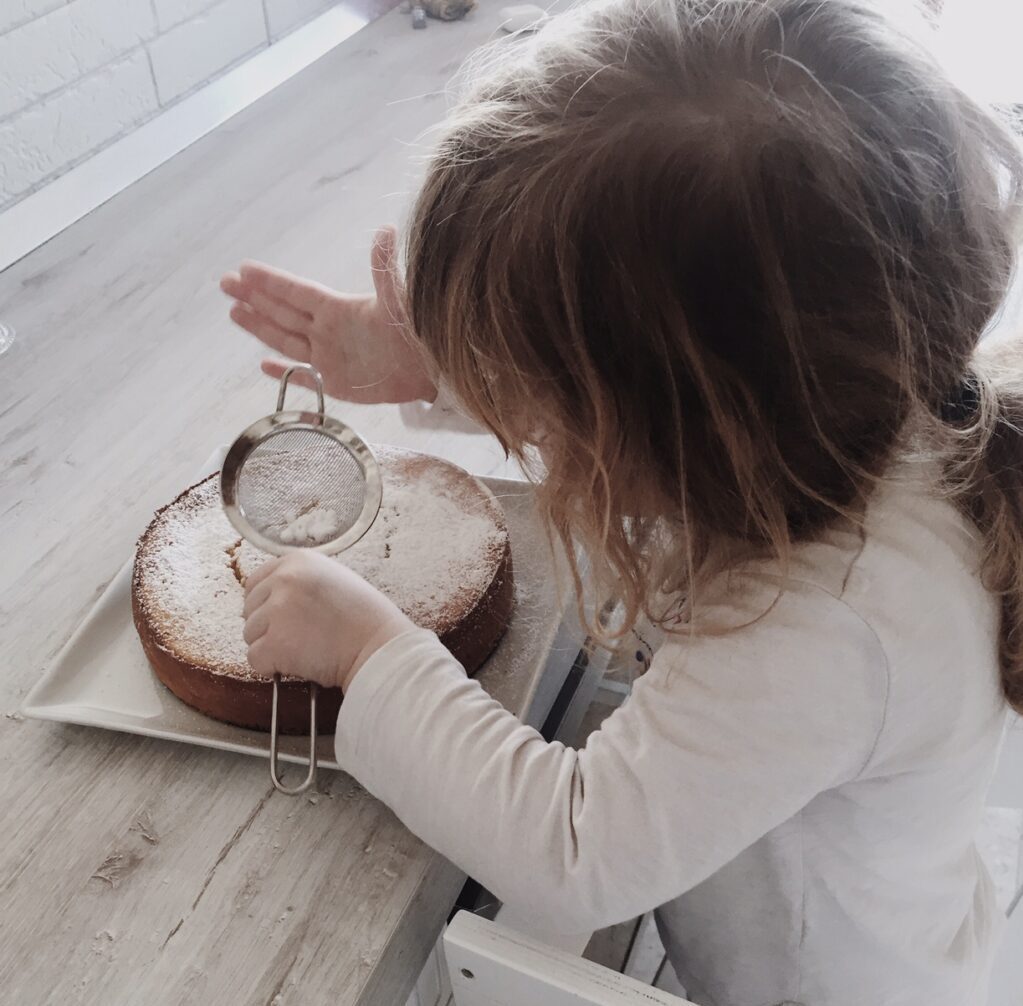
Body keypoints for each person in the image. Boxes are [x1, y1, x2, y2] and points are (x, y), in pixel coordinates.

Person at [220, 1, 1023, 1001]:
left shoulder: (828, 622)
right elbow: (645, 415)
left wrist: (369, 651)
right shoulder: (843, 419)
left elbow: (574, 846)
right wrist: (435, 372)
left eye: (540, 389)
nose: (545, 432)